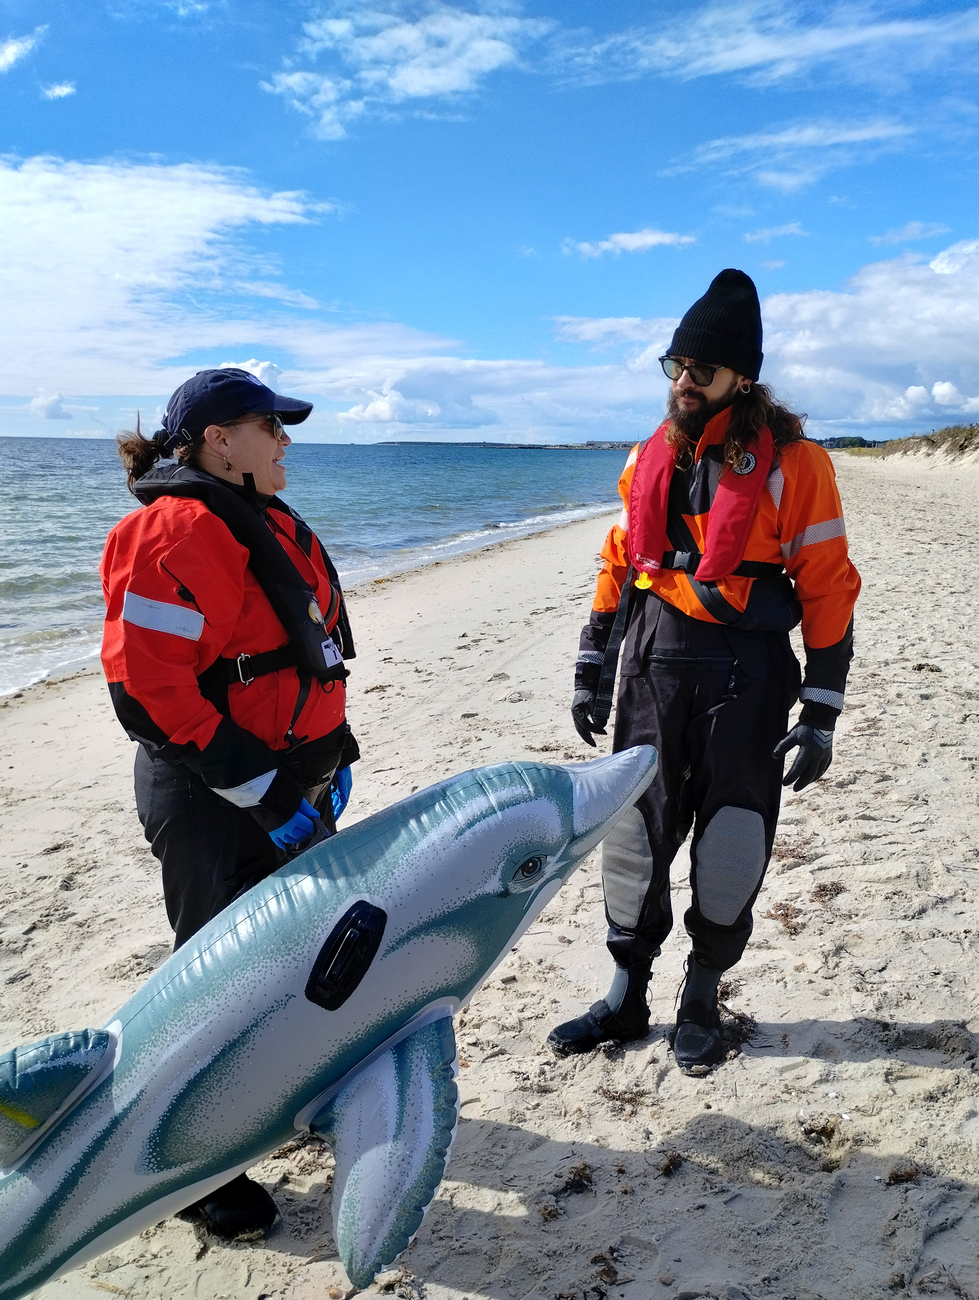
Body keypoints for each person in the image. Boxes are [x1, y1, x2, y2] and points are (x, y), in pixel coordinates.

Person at [549, 269, 861, 1074]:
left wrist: (821, 705)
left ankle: (699, 996)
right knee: (634, 832)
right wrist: (593, 660)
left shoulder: (796, 463)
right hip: (651, 660)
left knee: (731, 832)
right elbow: (622, 559)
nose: (683, 382)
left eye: (701, 370)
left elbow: (826, 582)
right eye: (674, 366)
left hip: (745, 670)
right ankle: (624, 998)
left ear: (741, 377)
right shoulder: (646, 455)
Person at [100, 367, 359, 1237]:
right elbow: (151, 695)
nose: (285, 441)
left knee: (294, 963)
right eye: (269, 426)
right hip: (217, 796)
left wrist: (332, 756)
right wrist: (263, 791)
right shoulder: (173, 532)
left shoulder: (261, 519)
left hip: (288, 785)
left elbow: (301, 650)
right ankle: (190, 1165)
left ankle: (273, 1102)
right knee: (212, 982)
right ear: (217, 439)